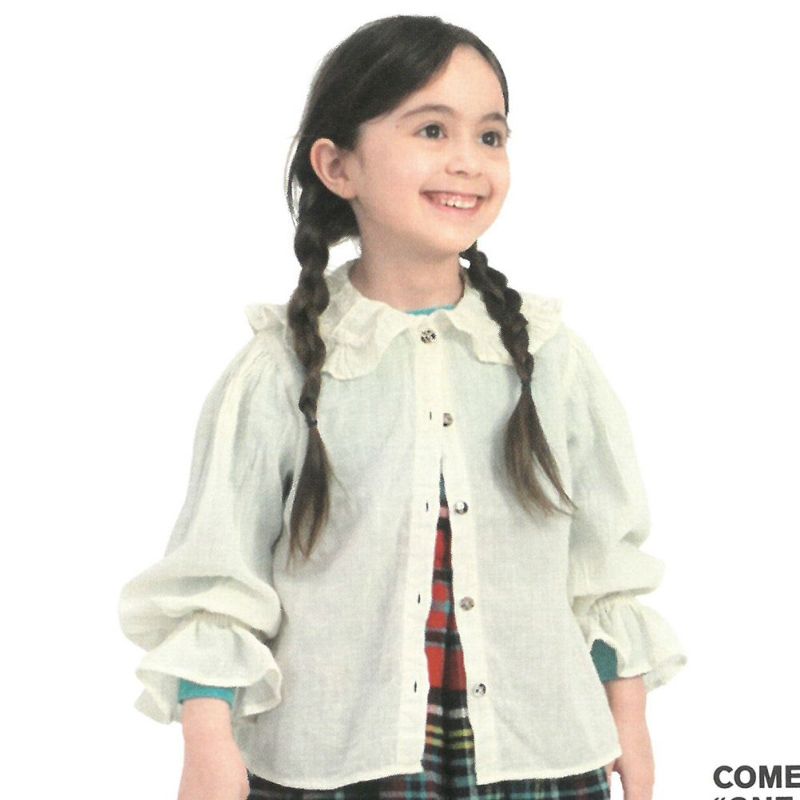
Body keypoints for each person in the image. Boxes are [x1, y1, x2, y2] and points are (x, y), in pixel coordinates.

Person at [117, 15, 687, 800]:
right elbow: (219, 580)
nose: (468, 161)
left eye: (491, 136)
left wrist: (630, 725)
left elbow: (602, 571)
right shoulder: (281, 369)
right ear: (338, 165)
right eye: (431, 129)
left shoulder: (550, 359)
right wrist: (207, 743)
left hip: (538, 756)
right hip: (334, 764)